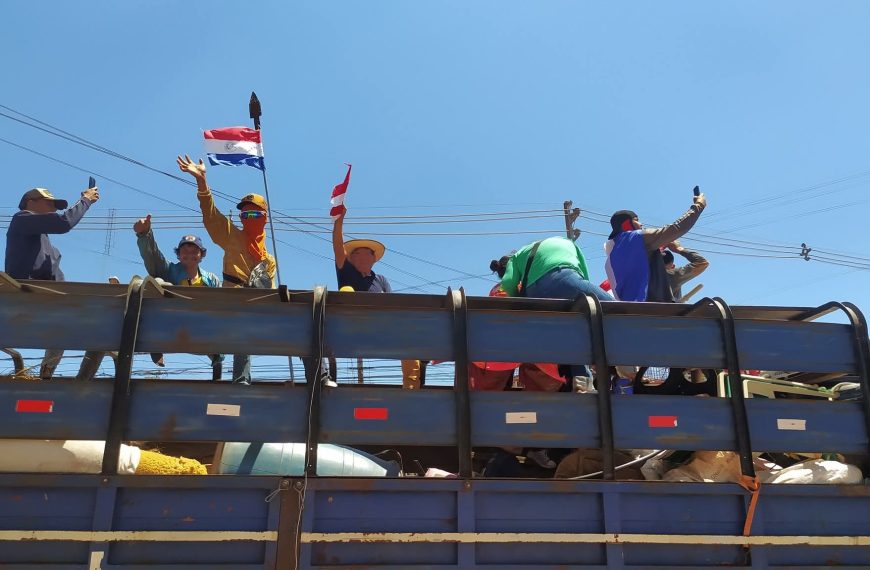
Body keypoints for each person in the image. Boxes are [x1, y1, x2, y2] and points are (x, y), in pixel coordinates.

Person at [177, 155, 275, 385]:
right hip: (230, 304)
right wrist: (202, 183)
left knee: (298, 326)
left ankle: (321, 376)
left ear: (264, 218)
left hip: (256, 310)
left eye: (254, 214)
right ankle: (237, 379)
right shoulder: (232, 236)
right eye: (244, 214)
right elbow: (211, 217)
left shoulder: (269, 259)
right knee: (239, 328)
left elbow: (266, 287)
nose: (247, 218)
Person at [5, 186, 103, 380]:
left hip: (44, 300)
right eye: (49, 202)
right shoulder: (21, 219)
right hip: (23, 294)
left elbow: (59, 281)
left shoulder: (50, 250)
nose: (53, 208)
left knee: (90, 324)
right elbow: (64, 223)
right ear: (29, 201)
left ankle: (48, 374)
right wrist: (85, 201)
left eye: (55, 205)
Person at [332, 209, 421, 389]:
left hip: (380, 327)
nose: (363, 255)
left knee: (411, 338)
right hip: (350, 326)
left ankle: (411, 388)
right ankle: (325, 378)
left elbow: (393, 307)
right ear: (351, 257)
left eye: (368, 252)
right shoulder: (347, 271)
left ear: (374, 258)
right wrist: (339, 221)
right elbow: (337, 246)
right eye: (358, 252)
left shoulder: (381, 280)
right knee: (347, 291)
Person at [133, 213, 223, 371]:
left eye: (194, 250)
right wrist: (144, 234)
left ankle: (216, 357)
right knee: (159, 283)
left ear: (201, 254)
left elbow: (222, 306)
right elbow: (153, 256)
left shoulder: (211, 280)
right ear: (178, 254)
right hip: (171, 323)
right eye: (184, 250)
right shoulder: (169, 270)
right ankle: (156, 344)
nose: (189, 253)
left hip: (200, 326)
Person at [604, 191, 707, 302]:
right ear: (627, 224)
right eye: (637, 220)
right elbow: (677, 228)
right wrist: (699, 205)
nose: (641, 224)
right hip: (654, 308)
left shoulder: (612, 255)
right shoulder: (637, 238)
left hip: (630, 309)